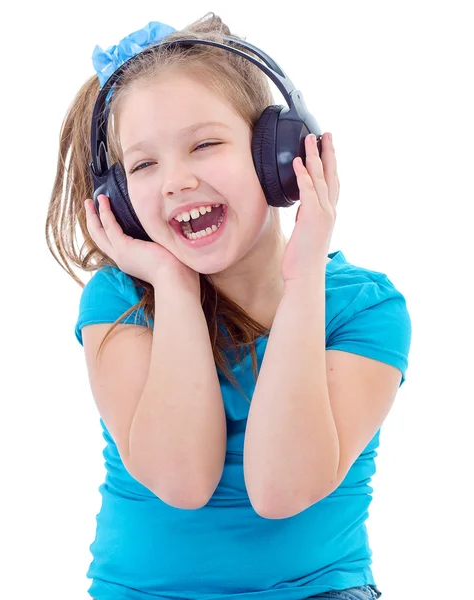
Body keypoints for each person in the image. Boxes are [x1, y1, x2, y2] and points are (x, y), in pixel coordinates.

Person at [46, 12, 411, 600]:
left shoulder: (365, 309)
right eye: (144, 164)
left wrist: (304, 277)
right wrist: (173, 285)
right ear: (118, 197)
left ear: (278, 154)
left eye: (205, 145)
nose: (175, 181)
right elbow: (182, 479)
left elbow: (281, 489)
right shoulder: (119, 302)